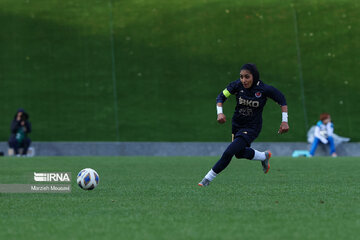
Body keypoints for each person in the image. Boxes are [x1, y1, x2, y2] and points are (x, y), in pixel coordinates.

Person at [198, 63, 289, 187]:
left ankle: (206, 180)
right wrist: (220, 113)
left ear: (254, 76)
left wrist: (285, 121)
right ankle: (264, 156)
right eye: (241, 77)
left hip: (252, 127)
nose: (244, 80)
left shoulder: (264, 89)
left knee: (229, 152)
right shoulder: (236, 85)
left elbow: (282, 100)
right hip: (237, 125)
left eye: (247, 77)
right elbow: (220, 97)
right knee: (239, 153)